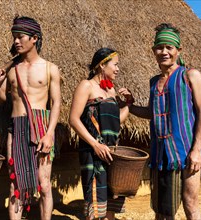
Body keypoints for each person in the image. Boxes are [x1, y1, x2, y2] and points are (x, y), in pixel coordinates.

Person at [129, 23, 201, 220]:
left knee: (190, 204)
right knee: (162, 210)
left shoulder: (190, 75)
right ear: (154, 51)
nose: (164, 52)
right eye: (159, 47)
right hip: (160, 154)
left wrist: (197, 150)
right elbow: (151, 112)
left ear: (178, 50)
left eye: (169, 47)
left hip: (187, 151)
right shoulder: (153, 82)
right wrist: (129, 105)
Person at [0, 16, 61, 220]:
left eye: (20, 37)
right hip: (17, 125)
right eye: (14, 37)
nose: (16, 42)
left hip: (41, 124)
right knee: (16, 183)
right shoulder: (12, 70)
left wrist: (49, 134)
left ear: (34, 38)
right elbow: (2, 100)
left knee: (44, 182)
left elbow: (56, 103)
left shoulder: (50, 68)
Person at [69, 48, 133, 220]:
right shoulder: (86, 86)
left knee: (111, 204)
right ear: (102, 65)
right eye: (115, 64)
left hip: (112, 153)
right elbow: (74, 119)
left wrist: (128, 103)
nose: (118, 69)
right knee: (96, 206)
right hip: (93, 152)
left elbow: (118, 120)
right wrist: (95, 144)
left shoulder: (111, 91)